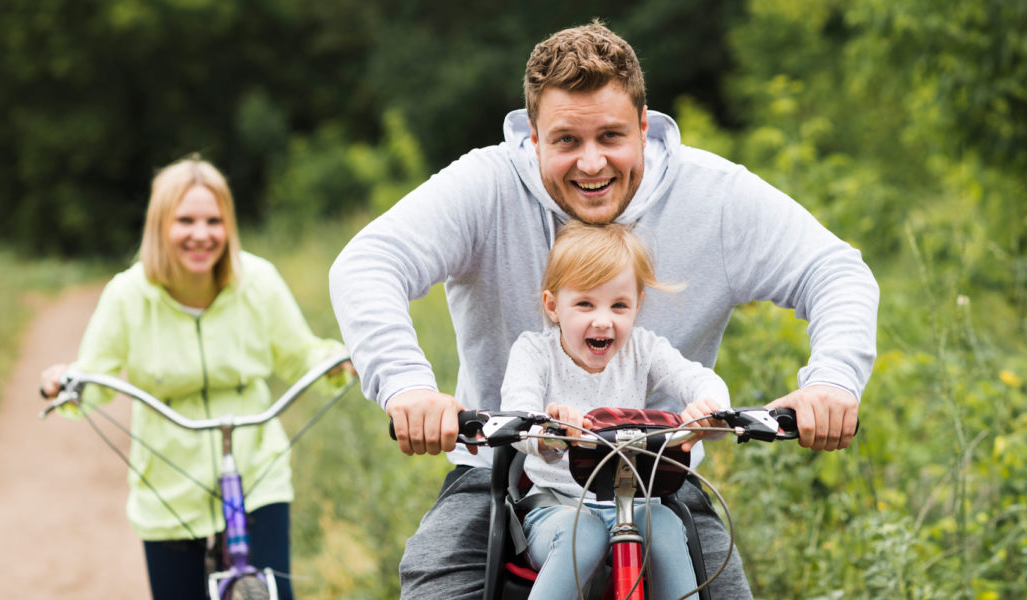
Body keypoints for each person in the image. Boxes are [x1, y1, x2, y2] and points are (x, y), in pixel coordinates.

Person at [329, 20, 878, 599]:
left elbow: (835, 270)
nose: (591, 164)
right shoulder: (485, 187)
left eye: (611, 137)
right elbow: (368, 263)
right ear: (535, 139)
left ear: (644, 128)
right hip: (504, 469)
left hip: (659, 479)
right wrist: (409, 388)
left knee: (722, 586)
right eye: (566, 141)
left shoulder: (715, 198)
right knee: (437, 579)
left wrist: (833, 382)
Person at [39, 156, 350, 600]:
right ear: (160, 226)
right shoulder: (127, 295)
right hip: (167, 483)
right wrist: (66, 384)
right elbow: (94, 379)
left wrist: (343, 359)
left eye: (213, 221)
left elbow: (302, 355)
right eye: (185, 220)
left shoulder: (257, 280)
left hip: (256, 471)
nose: (201, 235)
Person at [501, 221, 722, 599]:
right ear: (553, 306)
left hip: (633, 502)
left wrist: (710, 406)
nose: (603, 320)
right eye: (585, 303)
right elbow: (517, 414)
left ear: (636, 304)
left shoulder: (644, 348)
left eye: (619, 305)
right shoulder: (534, 352)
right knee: (582, 536)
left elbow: (695, 377)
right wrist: (548, 433)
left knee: (668, 528)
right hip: (557, 506)